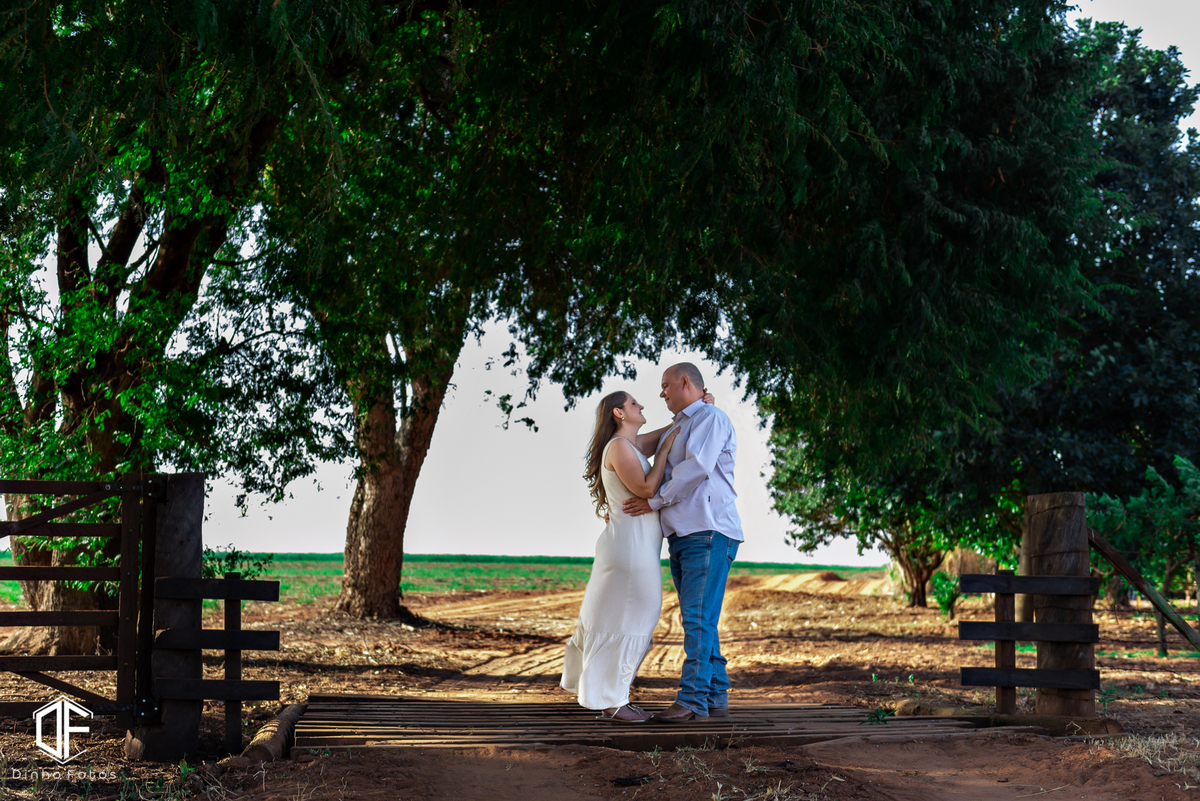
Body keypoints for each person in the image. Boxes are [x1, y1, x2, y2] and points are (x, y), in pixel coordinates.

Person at [623, 362, 742, 722]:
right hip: (683, 533)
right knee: (701, 618)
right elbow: (635, 446)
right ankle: (715, 696)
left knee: (697, 619)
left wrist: (655, 501)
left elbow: (696, 469)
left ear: (685, 382)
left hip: (707, 531)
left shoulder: (710, 418)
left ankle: (691, 701)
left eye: (665, 385)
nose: (661, 393)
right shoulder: (683, 423)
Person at [560, 391, 680, 722]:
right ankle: (612, 701)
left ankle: (609, 695)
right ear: (619, 413)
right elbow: (646, 489)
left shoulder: (629, 445)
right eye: (633, 404)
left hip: (633, 546)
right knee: (632, 619)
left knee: (625, 619)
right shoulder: (618, 447)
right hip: (630, 550)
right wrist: (664, 453)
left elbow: (671, 430)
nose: (641, 406)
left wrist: (696, 408)